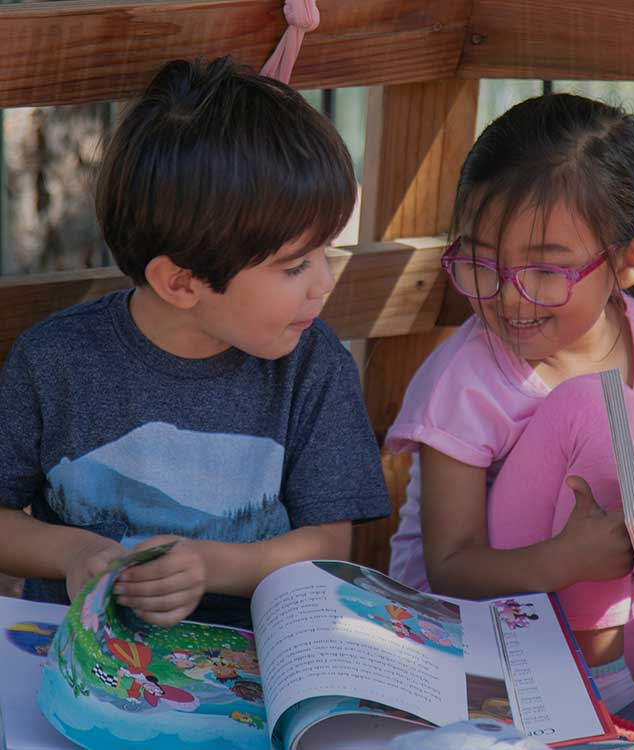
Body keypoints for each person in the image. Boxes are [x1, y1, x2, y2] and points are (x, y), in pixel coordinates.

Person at [384, 93, 634, 731]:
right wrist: (565, 558)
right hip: (489, 636)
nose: (508, 298)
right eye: (481, 264)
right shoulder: (466, 377)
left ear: (630, 261)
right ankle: (611, 695)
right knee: (599, 405)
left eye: (545, 272)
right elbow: (449, 566)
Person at [0, 56, 390, 631]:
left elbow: (329, 543)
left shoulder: (312, 365)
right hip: (80, 659)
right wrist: (71, 554)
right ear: (180, 283)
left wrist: (210, 565)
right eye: (294, 267)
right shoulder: (53, 363)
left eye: (324, 252)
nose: (325, 283)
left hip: (256, 659)